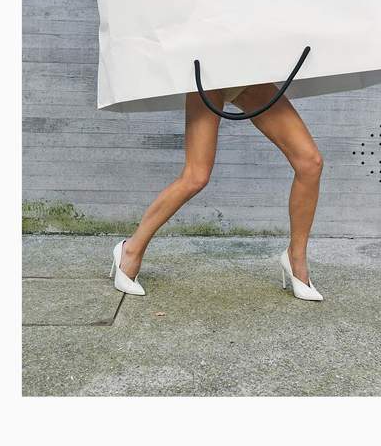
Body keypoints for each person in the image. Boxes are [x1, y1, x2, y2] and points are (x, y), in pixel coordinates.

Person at [109, 83, 325, 301]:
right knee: (196, 176)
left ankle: (296, 257)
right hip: (209, 75)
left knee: (310, 163)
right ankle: (130, 250)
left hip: (249, 74)